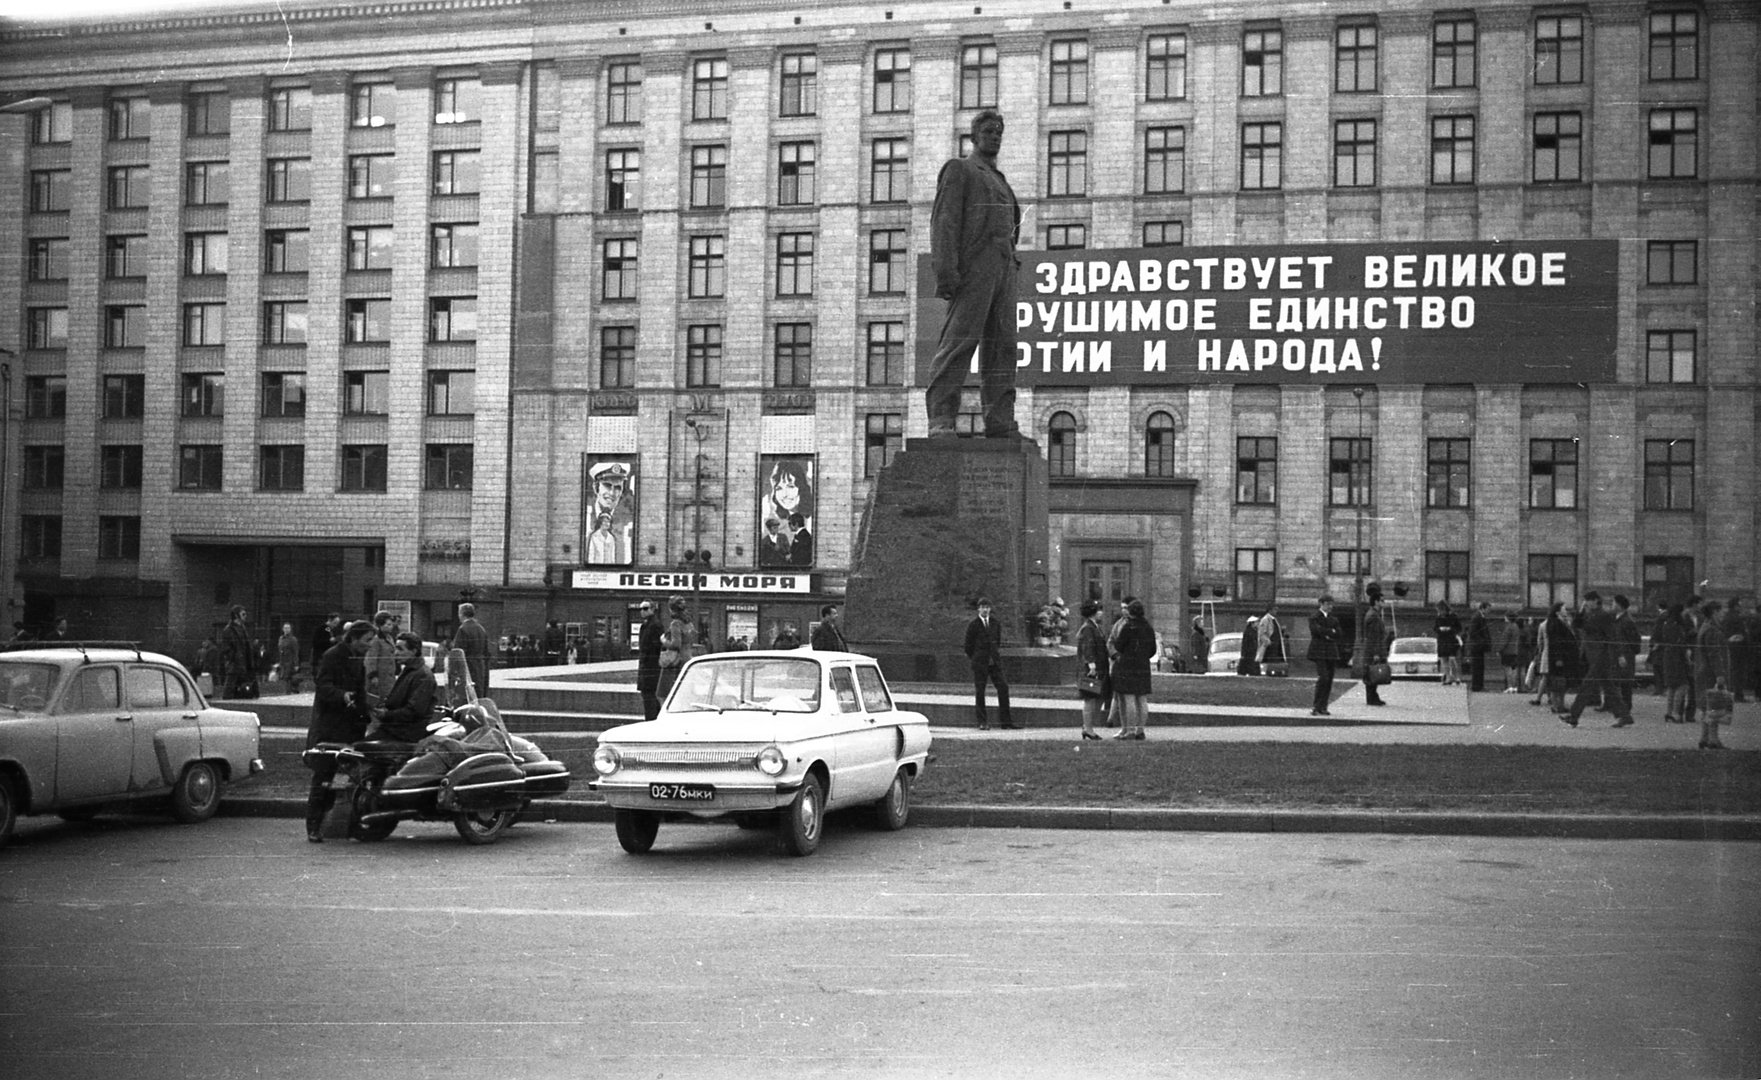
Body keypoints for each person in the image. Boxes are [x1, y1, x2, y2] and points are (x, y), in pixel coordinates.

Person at [925, 109, 1022, 439]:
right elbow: (945, 222)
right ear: (974, 137)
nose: (995, 136)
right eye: (989, 131)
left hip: (1004, 269)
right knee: (959, 342)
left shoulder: (1001, 181)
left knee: (1003, 347)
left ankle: (999, 421)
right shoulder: (961, 170)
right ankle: (941, 419)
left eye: (999, 132)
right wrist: (946, 273)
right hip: (974, 269)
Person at [303, 620, 375, 843]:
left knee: (349, 778)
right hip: (330, 728)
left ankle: (336, 823)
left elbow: (360, 692)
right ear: (354, 638)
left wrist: (367, 716)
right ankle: (314, 825)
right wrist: (342, 695)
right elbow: (323, 686)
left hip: (351, 728)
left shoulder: (357, 659)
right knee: (323, 778)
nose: (370, 645)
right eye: (367, 640)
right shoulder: (333, 655)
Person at [1565, 592, 1634, 728]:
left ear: (1596, 600)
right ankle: (1624, 716)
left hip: (1601, 656)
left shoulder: (1604, 615)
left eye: (1588, 600)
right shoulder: (1589, 614)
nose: (1585, 603)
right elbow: (1576, 625)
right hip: (1592, 655)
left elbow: (1612, 636)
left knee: (1587, 685)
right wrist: (1580, 610)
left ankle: (1574, 716)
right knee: (1609, 689)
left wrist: (1620, 654)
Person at [369, 632, 437, 744]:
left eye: (400, 649)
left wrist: (386, 714)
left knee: (359, 749)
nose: (396, 653)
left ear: (414, 651)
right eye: (396, 649)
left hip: (404, 733)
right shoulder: (409, 670)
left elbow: (414, 711)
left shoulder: (422, 675)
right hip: (395, 729)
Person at [1109, 599, 1157, 740]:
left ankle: (1128, 730)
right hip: (1142, 665)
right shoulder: (1148, 627)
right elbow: (1152, 650)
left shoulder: (1128, 627)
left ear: (1130, 612)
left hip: (1126, 665)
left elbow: (1118, 646)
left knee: (1128, 698)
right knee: (1142, 698)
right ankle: (1140, 730)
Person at [963, 597, 1014, 730]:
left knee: (1003, 688)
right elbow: (968, 646)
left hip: (994, 663)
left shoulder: (995, 623)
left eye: (987, 607)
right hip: (980, 663)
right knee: (980, 692)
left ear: (990, 609)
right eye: (982, 607)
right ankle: (982, 722)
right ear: (978, 609)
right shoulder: (973, 625)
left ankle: (1006, 722)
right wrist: (977, 658)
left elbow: (997, 641)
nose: (985, 609)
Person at [1075, 600, 1110, 740]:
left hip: (1098, 668)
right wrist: (1092, 665)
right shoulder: (1089, 628)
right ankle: (1088, 728)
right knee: (1090, 698)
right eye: (1099, 610)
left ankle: (1088, 726)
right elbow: (1088, 648)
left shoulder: (1092, 626)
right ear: (1093, 613)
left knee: (1098, 697)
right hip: (1091, 670)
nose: (1101, 613)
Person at [1651, 603, 1692, 723]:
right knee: (1683, 685)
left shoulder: (1666, 623)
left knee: (1671, 686)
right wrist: (1687, 657)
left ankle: (1669, 712)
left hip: (1668, 655)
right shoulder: (1677, 625)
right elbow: (1680, 643)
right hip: (1676, 657)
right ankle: (1675, 712)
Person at [1307, 595, 1343, 716]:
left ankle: (1323, 706)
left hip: (1331, 651)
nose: (1330, 606)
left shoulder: (1334, 619)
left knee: (1329, 679)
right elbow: (1315, 631)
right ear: (1321, 604)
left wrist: (1327, 632)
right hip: (1319, 651)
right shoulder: (1314, 617)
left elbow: (1339, 633)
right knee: (1324, 677)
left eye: (1331, 604)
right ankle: (1316, 706)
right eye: (1328, 604)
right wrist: (1330, 631)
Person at [657, 597, 698, 701]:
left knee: (663, 694)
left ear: (671, 609)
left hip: (675, 661)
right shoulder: (689, 623)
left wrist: (663, 640)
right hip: (687, 658)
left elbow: (676, 644)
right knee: (684, 693)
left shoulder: (676, 623)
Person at [451, 602, 492, 698]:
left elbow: (458, 652)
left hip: (468, 667)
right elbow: (486, 651)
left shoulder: (463, 629)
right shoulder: (481, 629)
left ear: (461, 614)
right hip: (480, 667)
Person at [1611, 595, 1642, 714]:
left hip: (1624, 656)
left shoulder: (1627, 620)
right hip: (1617, 655)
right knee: (1618, 680)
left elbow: (1634, 639)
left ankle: (1626, 707)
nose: (1612, 605)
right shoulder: (1617, 619)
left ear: (1619, 605)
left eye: (1614, 603)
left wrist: (1626, 654)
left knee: (1625, 682)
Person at [219, 605, 258, 699]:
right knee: (229, 690)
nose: (245, 616)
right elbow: (226, 649)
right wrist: (234, 658)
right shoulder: (228, 630)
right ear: (236, 615)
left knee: (246, 690)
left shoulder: (243, 629)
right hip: (235, 665)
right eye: (243, 614)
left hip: (245, 665)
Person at [635, 599, 664, 721]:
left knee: (650, 698)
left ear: (652, 609)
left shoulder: (655, 625)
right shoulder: (646, 625)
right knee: (648, 697)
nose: (642, 611)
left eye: (645, 608)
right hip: (646, 667)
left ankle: (651, 721)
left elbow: (657, 646)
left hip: (651, 668)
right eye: (641, 608)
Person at [362, 611, 398, 707]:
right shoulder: (375, 640)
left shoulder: (389, 638)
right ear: (380, 625)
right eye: (388, 624)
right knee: (377, 702)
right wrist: (373, 676)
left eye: (391, 624)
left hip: (388, 677)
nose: (391, 626)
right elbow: (371, 659)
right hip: (378, 678)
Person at [1360, 597, 1389, 707]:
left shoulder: (1374, 614)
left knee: (1372, 672)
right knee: (1373, 673)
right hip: (1373, 650)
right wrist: (1376, 653)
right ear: (1376, 601)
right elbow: (1373, 636)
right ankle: (1372, 698)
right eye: (1382, 600)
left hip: (1372, 649)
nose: (1384, 602)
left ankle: (1372, 696)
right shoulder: (1373, 616)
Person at [1433, 601, 1463, 685]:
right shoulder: (1438, 618)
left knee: (1452, 658)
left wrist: (1450, 629)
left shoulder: (1453, 617)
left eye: (1440, 610)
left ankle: (1456, 676)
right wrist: (1440, 629)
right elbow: (1435, 628)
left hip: (1450, 639)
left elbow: (1459, 628)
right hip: (1442, 640)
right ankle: (1447, 677)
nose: (1439, 612)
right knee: (1444, 659)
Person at [1466, 601, 1492, 691]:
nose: (1489, 611)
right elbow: (1472, 631)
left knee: (1480, 666)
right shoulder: (1477, 617)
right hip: (1477, 647)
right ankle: (1477, 686)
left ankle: (1479, 686)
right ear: (1483, 608)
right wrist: (1482, 641)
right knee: (1477, 667)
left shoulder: (1480, 617)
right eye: (1488, 609)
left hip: (1479, 647)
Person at [1255, 604, 1286, 676]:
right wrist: (1267, 641)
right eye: (1274, 609)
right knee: (1270, 660)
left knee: (1276, 660)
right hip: (1270, 646)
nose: (1276, 611)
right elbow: (1262, 633)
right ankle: (1269, 673)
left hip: (1276, 645)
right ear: (1270, 610)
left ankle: (1276, 672)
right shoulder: (1265, 619)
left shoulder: (1274, 620)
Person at [276, 622, 300, 692]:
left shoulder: (293, 639)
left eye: (288, 628)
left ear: (290, 629)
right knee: (283, 678)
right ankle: (286, 691)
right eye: (285, 628)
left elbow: (296, 652)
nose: (286, 630)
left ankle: (289, 691)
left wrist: (296, 664)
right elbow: (279, 650)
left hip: (290, 662)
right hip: (282, 662)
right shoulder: (281, 639)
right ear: (283, 629)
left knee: (288, 678)